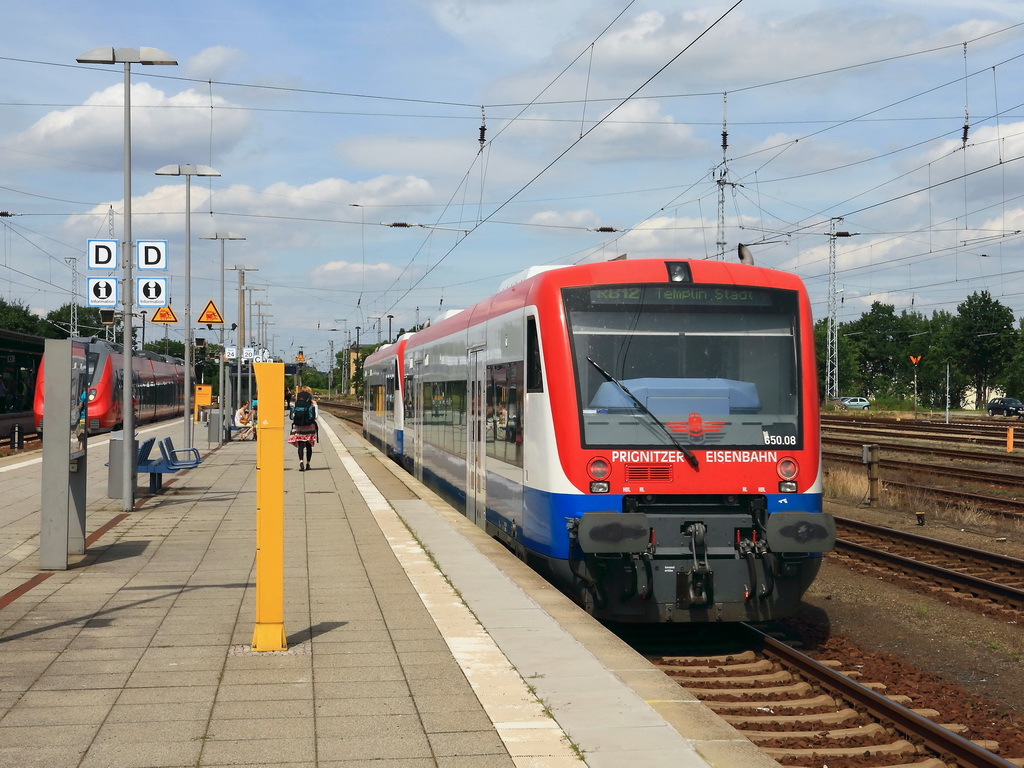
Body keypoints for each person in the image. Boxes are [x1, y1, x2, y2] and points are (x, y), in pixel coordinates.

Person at [288, 387, 318, 471]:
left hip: (299, 426)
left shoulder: (297, 402)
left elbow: (294, 415)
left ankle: (301, 461)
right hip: (309, 426)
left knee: (300, 445)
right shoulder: (313, 403)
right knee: (309, 445)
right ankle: (308, 464)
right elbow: (315, 417)